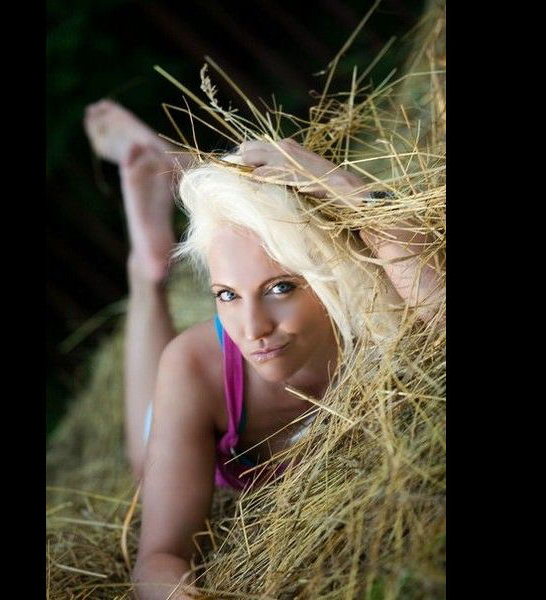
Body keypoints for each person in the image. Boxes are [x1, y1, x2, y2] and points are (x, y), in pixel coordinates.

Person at [84, 99, 444, 600]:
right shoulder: (196, 367)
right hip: (200, 383)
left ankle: (190, 174)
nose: (252, 329)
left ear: (330, 275)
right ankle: (147, 267)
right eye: (226, 295)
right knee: (147, 463)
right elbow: (158, 557)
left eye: (280, 288)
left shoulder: (379, 306)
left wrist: (346, 188)